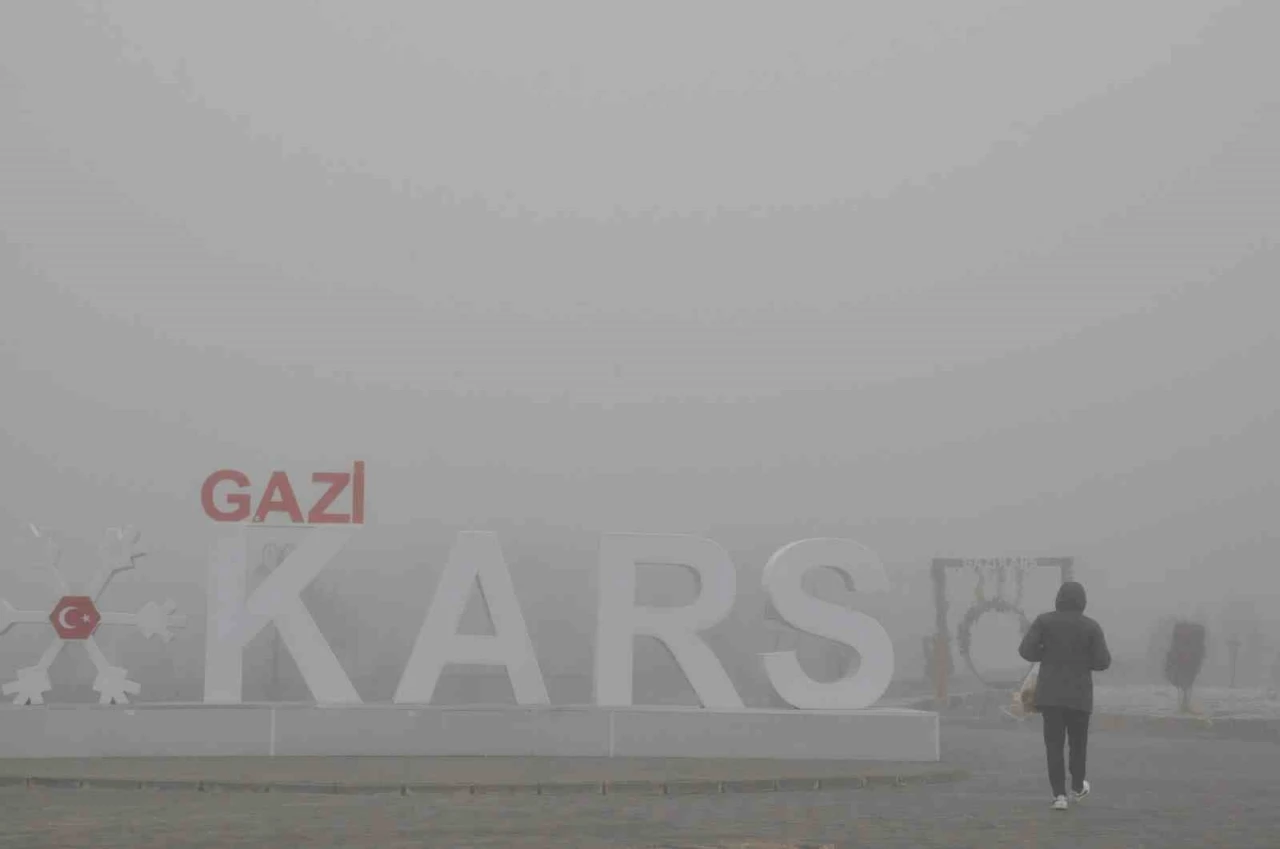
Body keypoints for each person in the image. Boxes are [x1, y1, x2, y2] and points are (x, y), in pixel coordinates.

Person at [1018, 580, 1111, 811]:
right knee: (1078, 745)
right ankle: (1077, 787)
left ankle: (1058, 796)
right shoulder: (1091, 626)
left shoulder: (1044, 621)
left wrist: (1046, 653)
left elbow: (1025, 650)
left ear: (1059, 598)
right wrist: (1083, 660)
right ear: (1083, 601)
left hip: (1050, 696)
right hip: (1080, 696)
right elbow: (1103, 661)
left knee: (1054, 745)